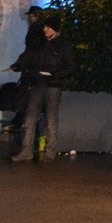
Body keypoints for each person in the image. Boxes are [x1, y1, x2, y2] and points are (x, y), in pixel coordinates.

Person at [11, 14, 75, 163]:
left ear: (54, 29)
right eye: (45, 26)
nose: (44, 29)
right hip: (37, 84)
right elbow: (27, 57)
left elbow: (71, 66)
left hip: (53, 86)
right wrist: (19, 65)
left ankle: (50, 153)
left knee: (51, 119)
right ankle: (26, 151)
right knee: (30, 118)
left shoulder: (63, 45)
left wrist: (55, 75)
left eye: (48, 27)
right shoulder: (39, 42)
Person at [5, 5, 46, 131]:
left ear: (36, 16)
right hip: (34, 68)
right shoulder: (40, 30)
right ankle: (25, 122)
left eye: (30, 16)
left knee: (25, 95)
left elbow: (30, 51)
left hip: (30, 69)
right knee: (29, 96)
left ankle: (20, 122)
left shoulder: (35, 30)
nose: (28, 18)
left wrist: (20, 63)